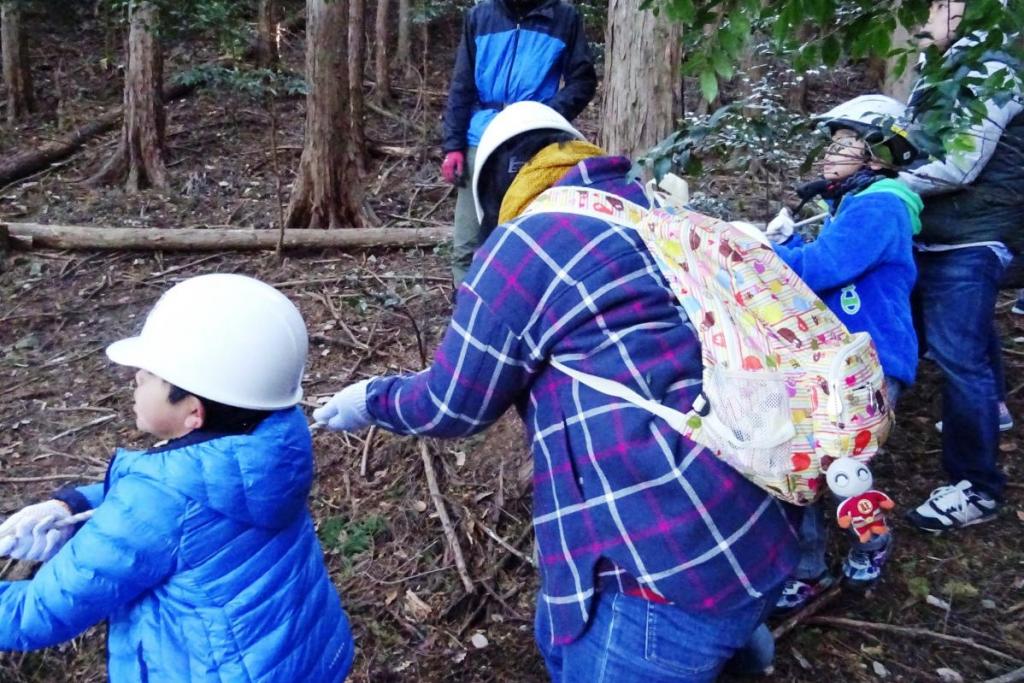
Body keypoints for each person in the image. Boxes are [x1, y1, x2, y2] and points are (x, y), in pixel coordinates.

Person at [317, 101, 799, 681]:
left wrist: (372, 398)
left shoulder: (528, 243)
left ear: (497, 179)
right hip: (760, 516)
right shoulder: (651, 208)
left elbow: (453, 402)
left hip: (658, 563)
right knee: (564, 633)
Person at [0, 274, 354, 682]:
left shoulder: (155, 503)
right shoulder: (270, 442)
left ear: (193, 413)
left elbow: (38, 614)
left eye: (151, 374)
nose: (136, 378)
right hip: (305, 657)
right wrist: (74, 505)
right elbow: (183, 504)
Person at [763, 94, 923, 609]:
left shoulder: (882, 205)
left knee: (844, 466)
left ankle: (872, 541)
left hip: (868, 359)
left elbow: (822, 267)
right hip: (832, 357)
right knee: (805, 460)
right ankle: (808, 566)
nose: (831, 157)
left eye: (845, 146)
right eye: (830, 146)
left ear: (878, 155)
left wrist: (759, 252)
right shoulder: (851, 206)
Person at [898, 0, 1024, 532]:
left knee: (957, 355)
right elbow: (910, 137)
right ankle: (989, 412)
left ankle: (976, 485)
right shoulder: (941, 70)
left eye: (939, 5)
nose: (926, 17)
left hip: (974, 235)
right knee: (966, 340)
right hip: (941, 230)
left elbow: (961, 161)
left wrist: (886, 185)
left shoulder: (994, 69)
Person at [440, 0, 597, 286]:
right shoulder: (481, 16)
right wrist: (453, 146)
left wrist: (545, 115)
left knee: (528, 238)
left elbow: (583, 80)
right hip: (482, 139)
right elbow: (462, 84)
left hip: (533, 140)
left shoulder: (562, 17)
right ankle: (467, 315)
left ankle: (522, 313)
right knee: (468, 243)